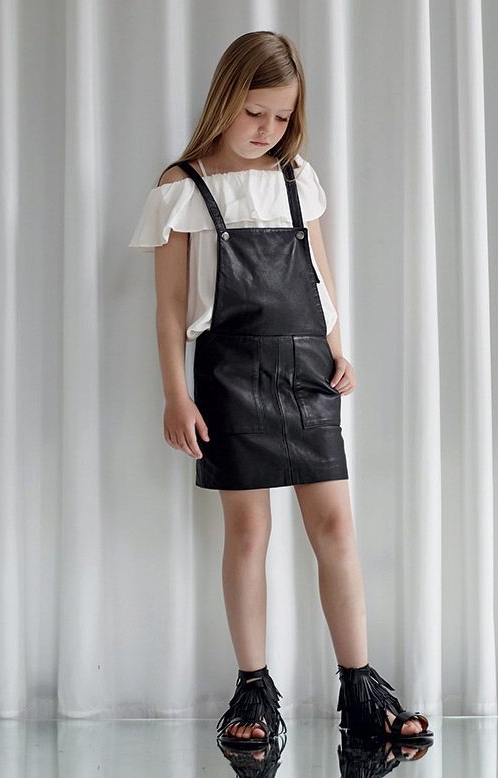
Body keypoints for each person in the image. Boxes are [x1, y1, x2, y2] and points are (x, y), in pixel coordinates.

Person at [128, 30, 433, 754]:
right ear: (225, 99)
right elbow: (170, 308)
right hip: (229, 373)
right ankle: (253, 691)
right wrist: (176, 394)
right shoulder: (183, 183)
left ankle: (362, 691)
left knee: (336, 528)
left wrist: (337, 349)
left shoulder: (298, 176)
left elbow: (319, 275)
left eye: (282, 117)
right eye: (254, 112)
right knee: (249, 533)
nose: (267, 129)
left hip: (306, 370)